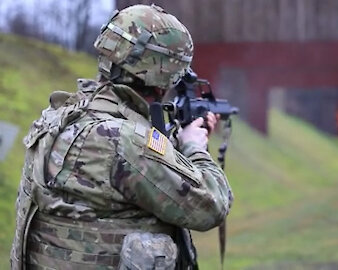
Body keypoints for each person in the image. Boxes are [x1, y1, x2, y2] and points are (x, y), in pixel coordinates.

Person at [10, 4, 233, 270]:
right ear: (164, 73)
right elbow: (211, 205)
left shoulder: (59, 117)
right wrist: (195, 146)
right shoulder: (124, 141)